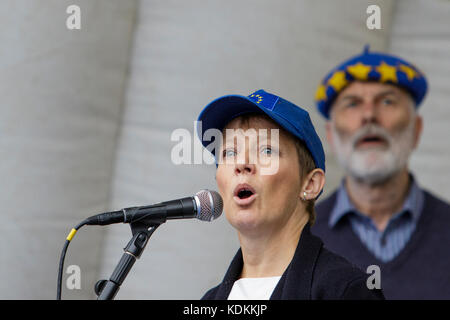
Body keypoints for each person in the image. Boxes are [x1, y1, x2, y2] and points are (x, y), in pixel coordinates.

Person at [196, 89, 384, 300]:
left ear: (310, 184)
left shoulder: (344, 291)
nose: (242, 164)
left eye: (266, 150)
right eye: (230, 153)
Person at [311, 46, 450, 299]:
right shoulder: (300, 239)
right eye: (352, 104)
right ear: (330, 135)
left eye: (387, 101)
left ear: (417, 129)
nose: (369, 115)